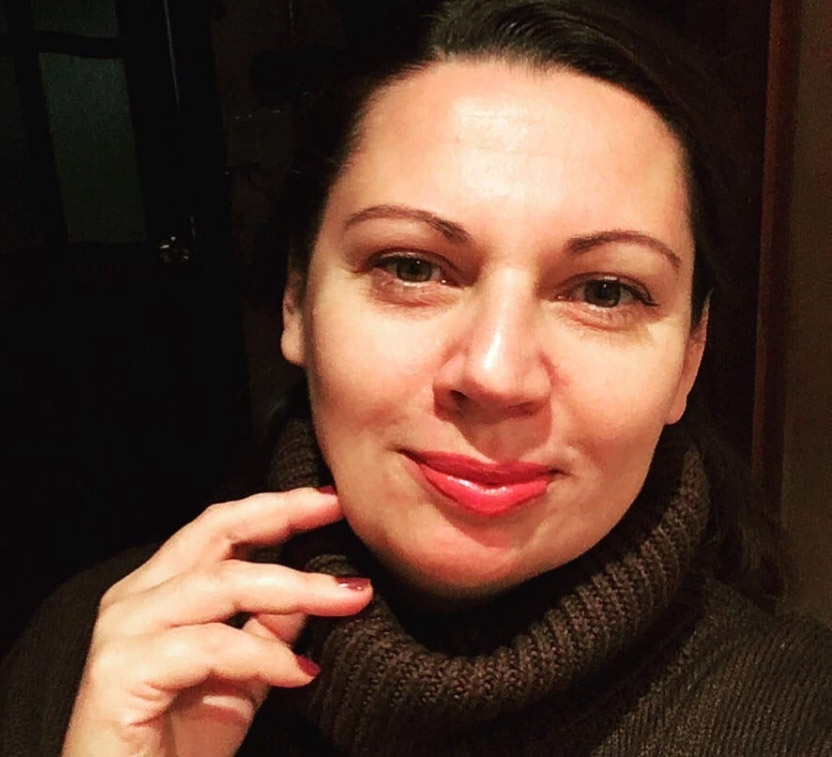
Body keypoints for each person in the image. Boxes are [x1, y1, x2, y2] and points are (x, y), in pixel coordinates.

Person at [2, 0, 830, 754]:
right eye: (412, 267)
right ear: (296, 301)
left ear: (689, 357)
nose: (496, 373)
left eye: (605, 292)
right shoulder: (95, 664)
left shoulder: (800, 720)